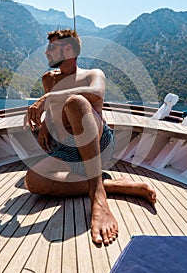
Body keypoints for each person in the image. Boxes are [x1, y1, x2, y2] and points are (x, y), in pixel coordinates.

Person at [24, 29, 156, 246]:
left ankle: (98, 197)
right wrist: (47, 125)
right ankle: (115, 185)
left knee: (76, 102)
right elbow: (54, 108)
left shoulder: (94, 74)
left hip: (98, 145)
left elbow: (95, 93)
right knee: (33, 181)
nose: (46, 52)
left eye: (52, 47)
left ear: (68, 50)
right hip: (67, 149)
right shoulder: (49, 79)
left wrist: (48, 97)